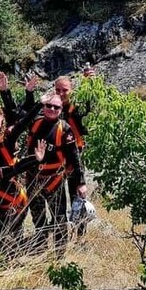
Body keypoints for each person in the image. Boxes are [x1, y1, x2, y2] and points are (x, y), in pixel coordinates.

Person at [25, 93, 87, 250]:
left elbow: (75, 157)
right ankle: (40, 247)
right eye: (49, 106)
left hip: (54, 181)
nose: (52, 109)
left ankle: (60, 253)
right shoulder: (35, 123)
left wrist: (81, 182)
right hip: (33, 179)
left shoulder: (65, 129)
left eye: (56, 107)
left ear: (61, 109)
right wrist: (37, 101)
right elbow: (21, 117)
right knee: (38, 217)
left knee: (59, 218)